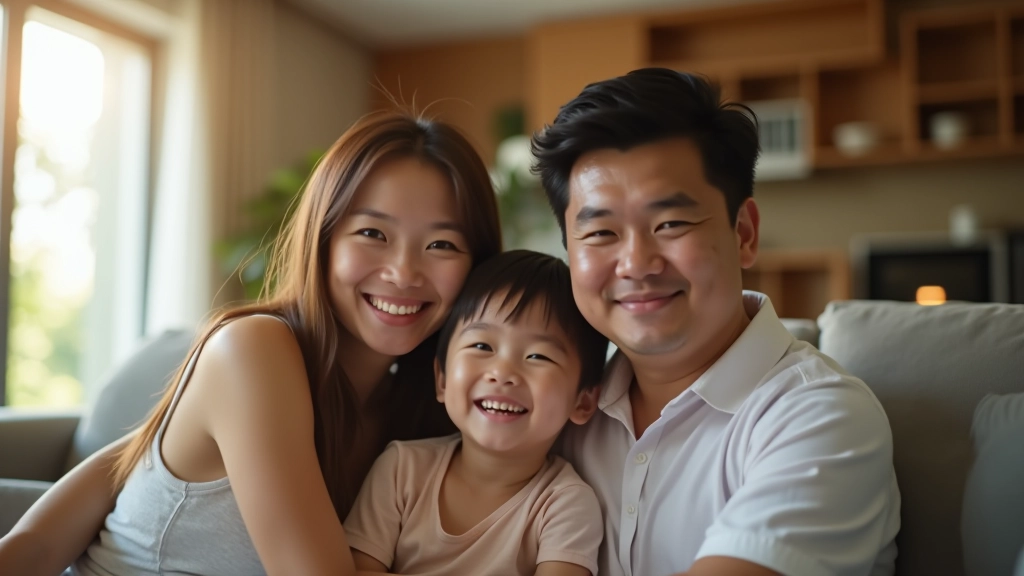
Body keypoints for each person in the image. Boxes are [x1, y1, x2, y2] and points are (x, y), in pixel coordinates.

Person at [0, 111, 502, 576]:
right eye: (373, 232)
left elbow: (118, 469)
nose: (403, 271)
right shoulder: (253, 350)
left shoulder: (418, 417)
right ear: (323, 241)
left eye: (442, 244)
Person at [531, 68, 901, 576]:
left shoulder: (821, 417)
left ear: (744, 233)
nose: (636, 263)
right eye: (600, 233)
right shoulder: (558, 410)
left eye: (671, 224)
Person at [344, 249, 608, 576]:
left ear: (582, 401)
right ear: (441, 379)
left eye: (539, 356)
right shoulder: (401, 470)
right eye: (482, 347)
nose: (503, 372)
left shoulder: (565, 505)